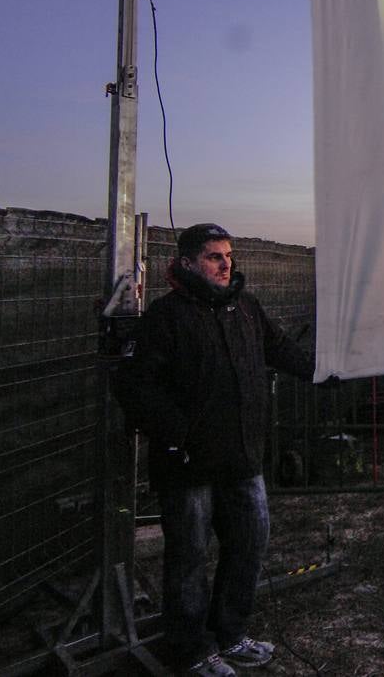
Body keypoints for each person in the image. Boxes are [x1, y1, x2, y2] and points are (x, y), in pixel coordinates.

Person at [113, 223, 314, 677]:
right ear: (186, 263)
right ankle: (190, 649)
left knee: (248, 545)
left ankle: (229, 634)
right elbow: (133, 384)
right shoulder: (166, 318)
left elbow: (280, 348)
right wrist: (175, 435)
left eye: (229, 255)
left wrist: (326, 369)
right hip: (188, 466)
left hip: (242, 458)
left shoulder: (245, 308)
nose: (226, 264)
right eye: (214, 257)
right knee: (188, 558)